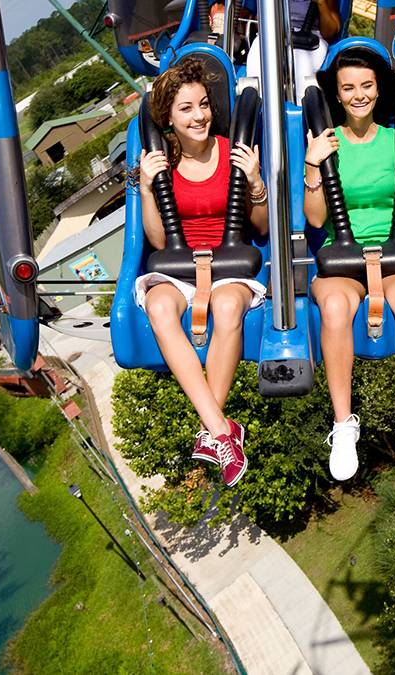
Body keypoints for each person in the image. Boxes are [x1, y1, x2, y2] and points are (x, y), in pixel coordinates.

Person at [136, 57, 268, 487]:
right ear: (167, 119)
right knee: (158, 306)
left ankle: (215, 432)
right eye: (187, 109)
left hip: (229, 263)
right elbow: (158, 241)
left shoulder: (234, 150)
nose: (200, 116)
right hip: (180, 266)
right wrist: (146, 189)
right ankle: (222, 430)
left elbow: (262, 228)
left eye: (204, 105)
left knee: (228, 306)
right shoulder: (162, 164)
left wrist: (255, 183)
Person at [302, 51, 395, 481]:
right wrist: (312, 164)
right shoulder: (327, 142)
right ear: (337, 96)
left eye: (366, 86)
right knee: (336, 309)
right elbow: (317, 219)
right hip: (343, 261)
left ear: (378, 89)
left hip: (394, 256)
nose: (358, 95)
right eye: (348, 88)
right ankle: (343, 425)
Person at [246, 0, 342, 100]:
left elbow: (330, 33)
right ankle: (259, 108)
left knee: (303, 77)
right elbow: (259, 21)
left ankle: (302, 109)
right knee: (259, 72)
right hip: (275, 31)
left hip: (311, 38)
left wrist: (321, 3)